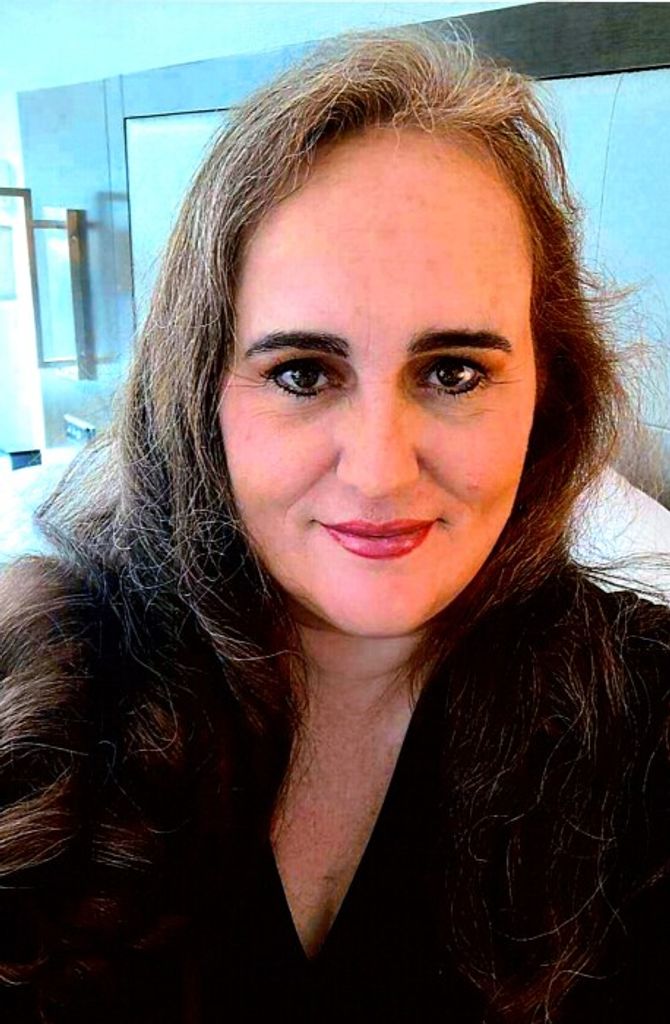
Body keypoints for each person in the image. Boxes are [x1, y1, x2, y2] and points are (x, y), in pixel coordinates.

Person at [1, 24, 669, 1024]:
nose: (379, 470)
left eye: (454, 372)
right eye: (302, 374)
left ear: (548, 394)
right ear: (201, 396)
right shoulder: (39, 685)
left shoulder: (647, 727)